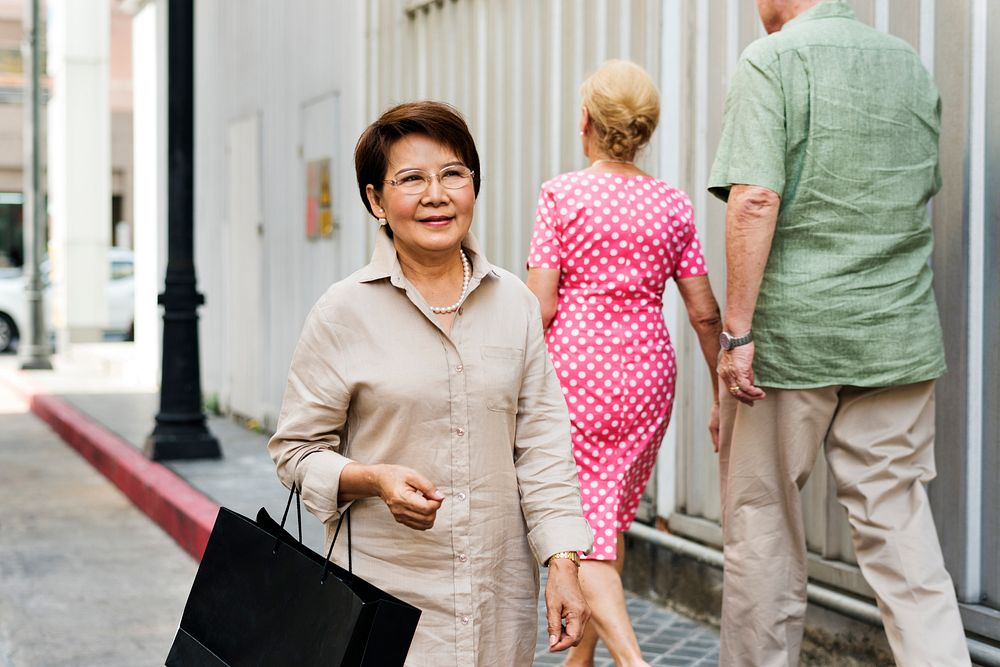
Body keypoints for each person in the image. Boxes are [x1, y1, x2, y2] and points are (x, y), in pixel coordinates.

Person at [268, 101, 594, 666]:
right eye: (410, 179)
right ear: (376, 199)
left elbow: (541, 442)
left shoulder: (514, 303)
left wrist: (563, 560)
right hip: (383, 595)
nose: (436, 195)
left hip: (496, 596)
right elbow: (295, 453)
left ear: (474, 185)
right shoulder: (343, 312)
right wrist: (372, 478)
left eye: (452, 175)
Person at [708, 1, 971, 665]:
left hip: (791, 339)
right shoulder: (908, 65)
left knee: (762, 525)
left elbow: (755, 197)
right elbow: (916, 192)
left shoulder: (770, 60)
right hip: (897, 332)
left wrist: (736, 334)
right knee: (901, 533)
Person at [527, 60, 723, 667]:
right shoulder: (673, 205)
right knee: (604, 520)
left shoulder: (561, 195)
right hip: (646, 376)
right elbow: (703, 313)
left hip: (576, 375)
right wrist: (721, 393)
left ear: (585, 121)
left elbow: (541, 305)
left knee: (584, 537)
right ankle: (578, 663)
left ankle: (633, 662)